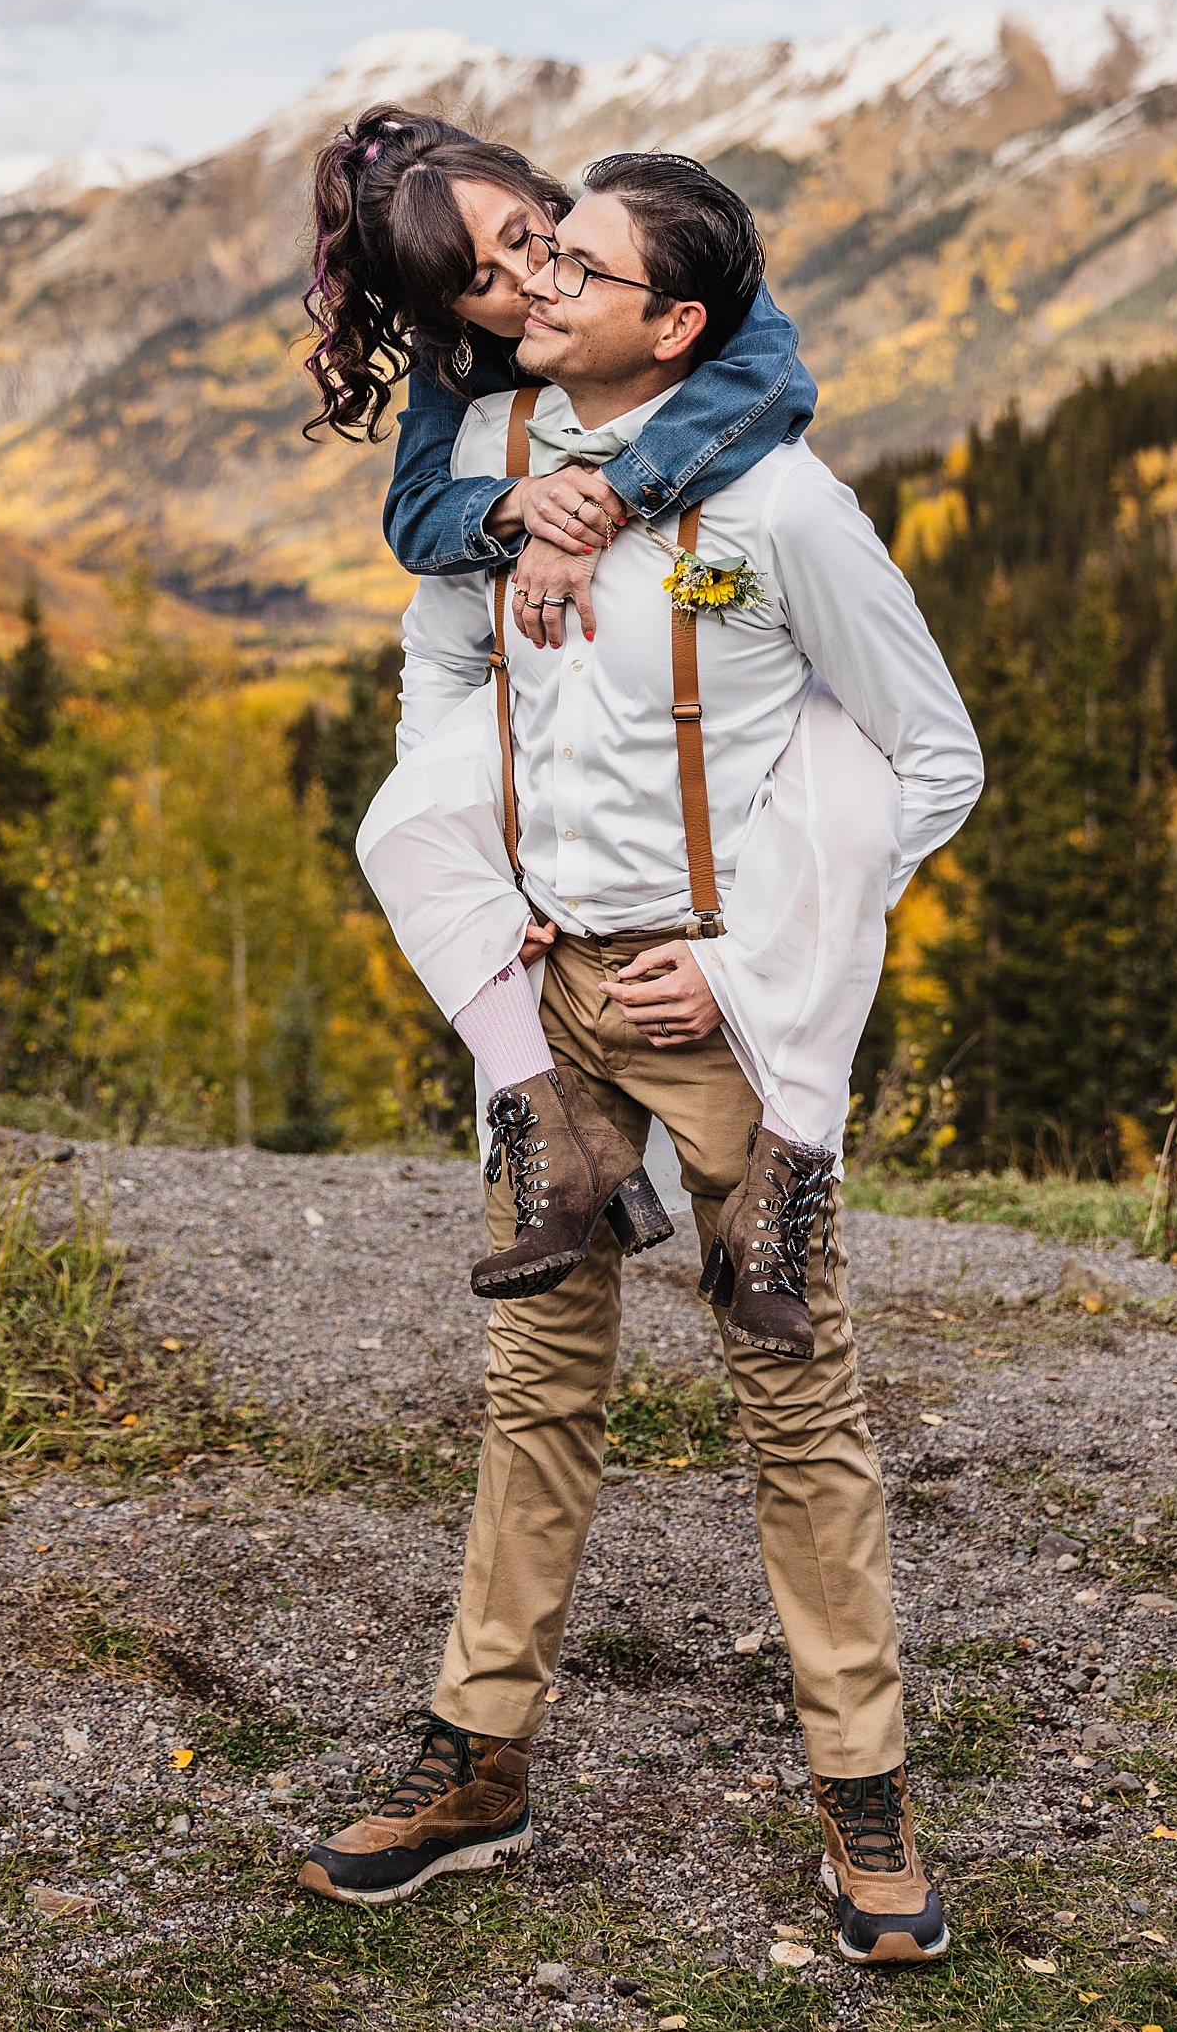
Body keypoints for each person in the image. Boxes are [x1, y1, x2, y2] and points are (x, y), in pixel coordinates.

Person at [298, 151, 983, 1967]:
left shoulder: (783, 504)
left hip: (720, 1022)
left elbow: (936, 759)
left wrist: (749, 967)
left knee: (796, 1399)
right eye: (528, 263)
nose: (534, 291)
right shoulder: (496, 476)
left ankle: (866, 1793)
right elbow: (433, 672)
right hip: (550, 1006)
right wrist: (487, 852)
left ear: (671, 322)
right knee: (536, 1389)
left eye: (573, 268)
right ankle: (478, 1763)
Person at [305, 102, 819, 1118]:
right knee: (409, 837)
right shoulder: (463, 368)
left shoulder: (644, 245)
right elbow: (414, 520)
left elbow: (773, 382)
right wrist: (515, 501)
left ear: (544, 193)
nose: (524, 279)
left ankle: (778, 1168)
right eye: (480, 286)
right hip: (556, 704)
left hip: (719, 664)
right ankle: (544, 1123)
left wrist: (600, 502)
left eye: (523, 235)